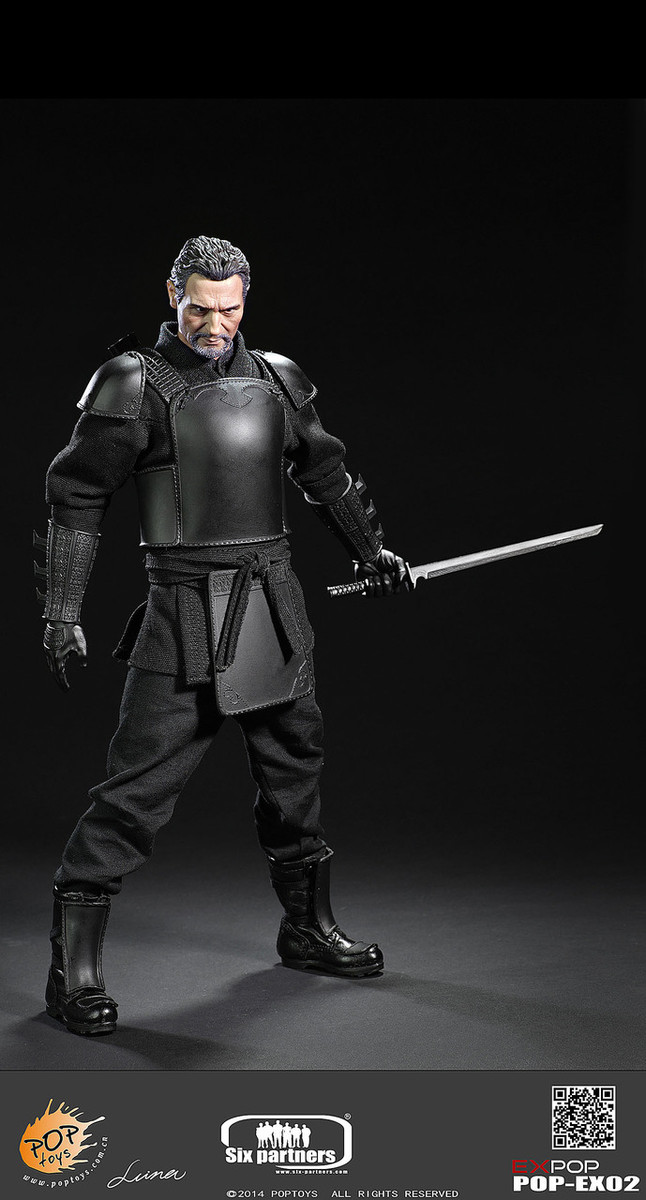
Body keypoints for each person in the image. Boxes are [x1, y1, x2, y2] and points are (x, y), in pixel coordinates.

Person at [36, 235, 409, 1037]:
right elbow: (77, 495)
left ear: (246, 299)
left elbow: (324, 471)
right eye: (200, 308)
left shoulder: (274, 378)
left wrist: (371, 552)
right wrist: (61, 610)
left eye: (229, 309)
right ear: (173, 293)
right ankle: (74, 972)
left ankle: (306, 927)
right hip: (183, 611)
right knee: (136, 791)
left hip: (272, 602)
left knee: (295, 770)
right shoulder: (135, 383)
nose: (214, 324)